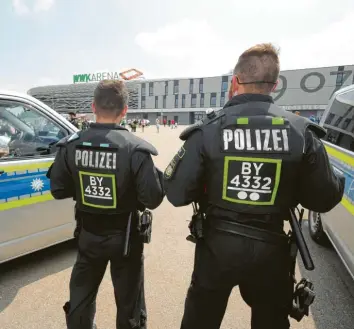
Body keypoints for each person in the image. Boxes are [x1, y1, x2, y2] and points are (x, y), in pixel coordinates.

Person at [163, 43, 345, 329]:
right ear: (275, 85)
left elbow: (175, 193)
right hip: (271, 252)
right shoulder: (301, 132)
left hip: (216, 248)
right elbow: (324, 198)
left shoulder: (209, 129)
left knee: (200, 320)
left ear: (235, 82)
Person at [48, 80, 165, 329]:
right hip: (126, 240)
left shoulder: (70, 145)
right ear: (125, 111)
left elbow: (58, 190)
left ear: (93, 106)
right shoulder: (136, 149)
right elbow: (152, 199)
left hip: (88, 236)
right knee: (129, 305)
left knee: (80, 299)